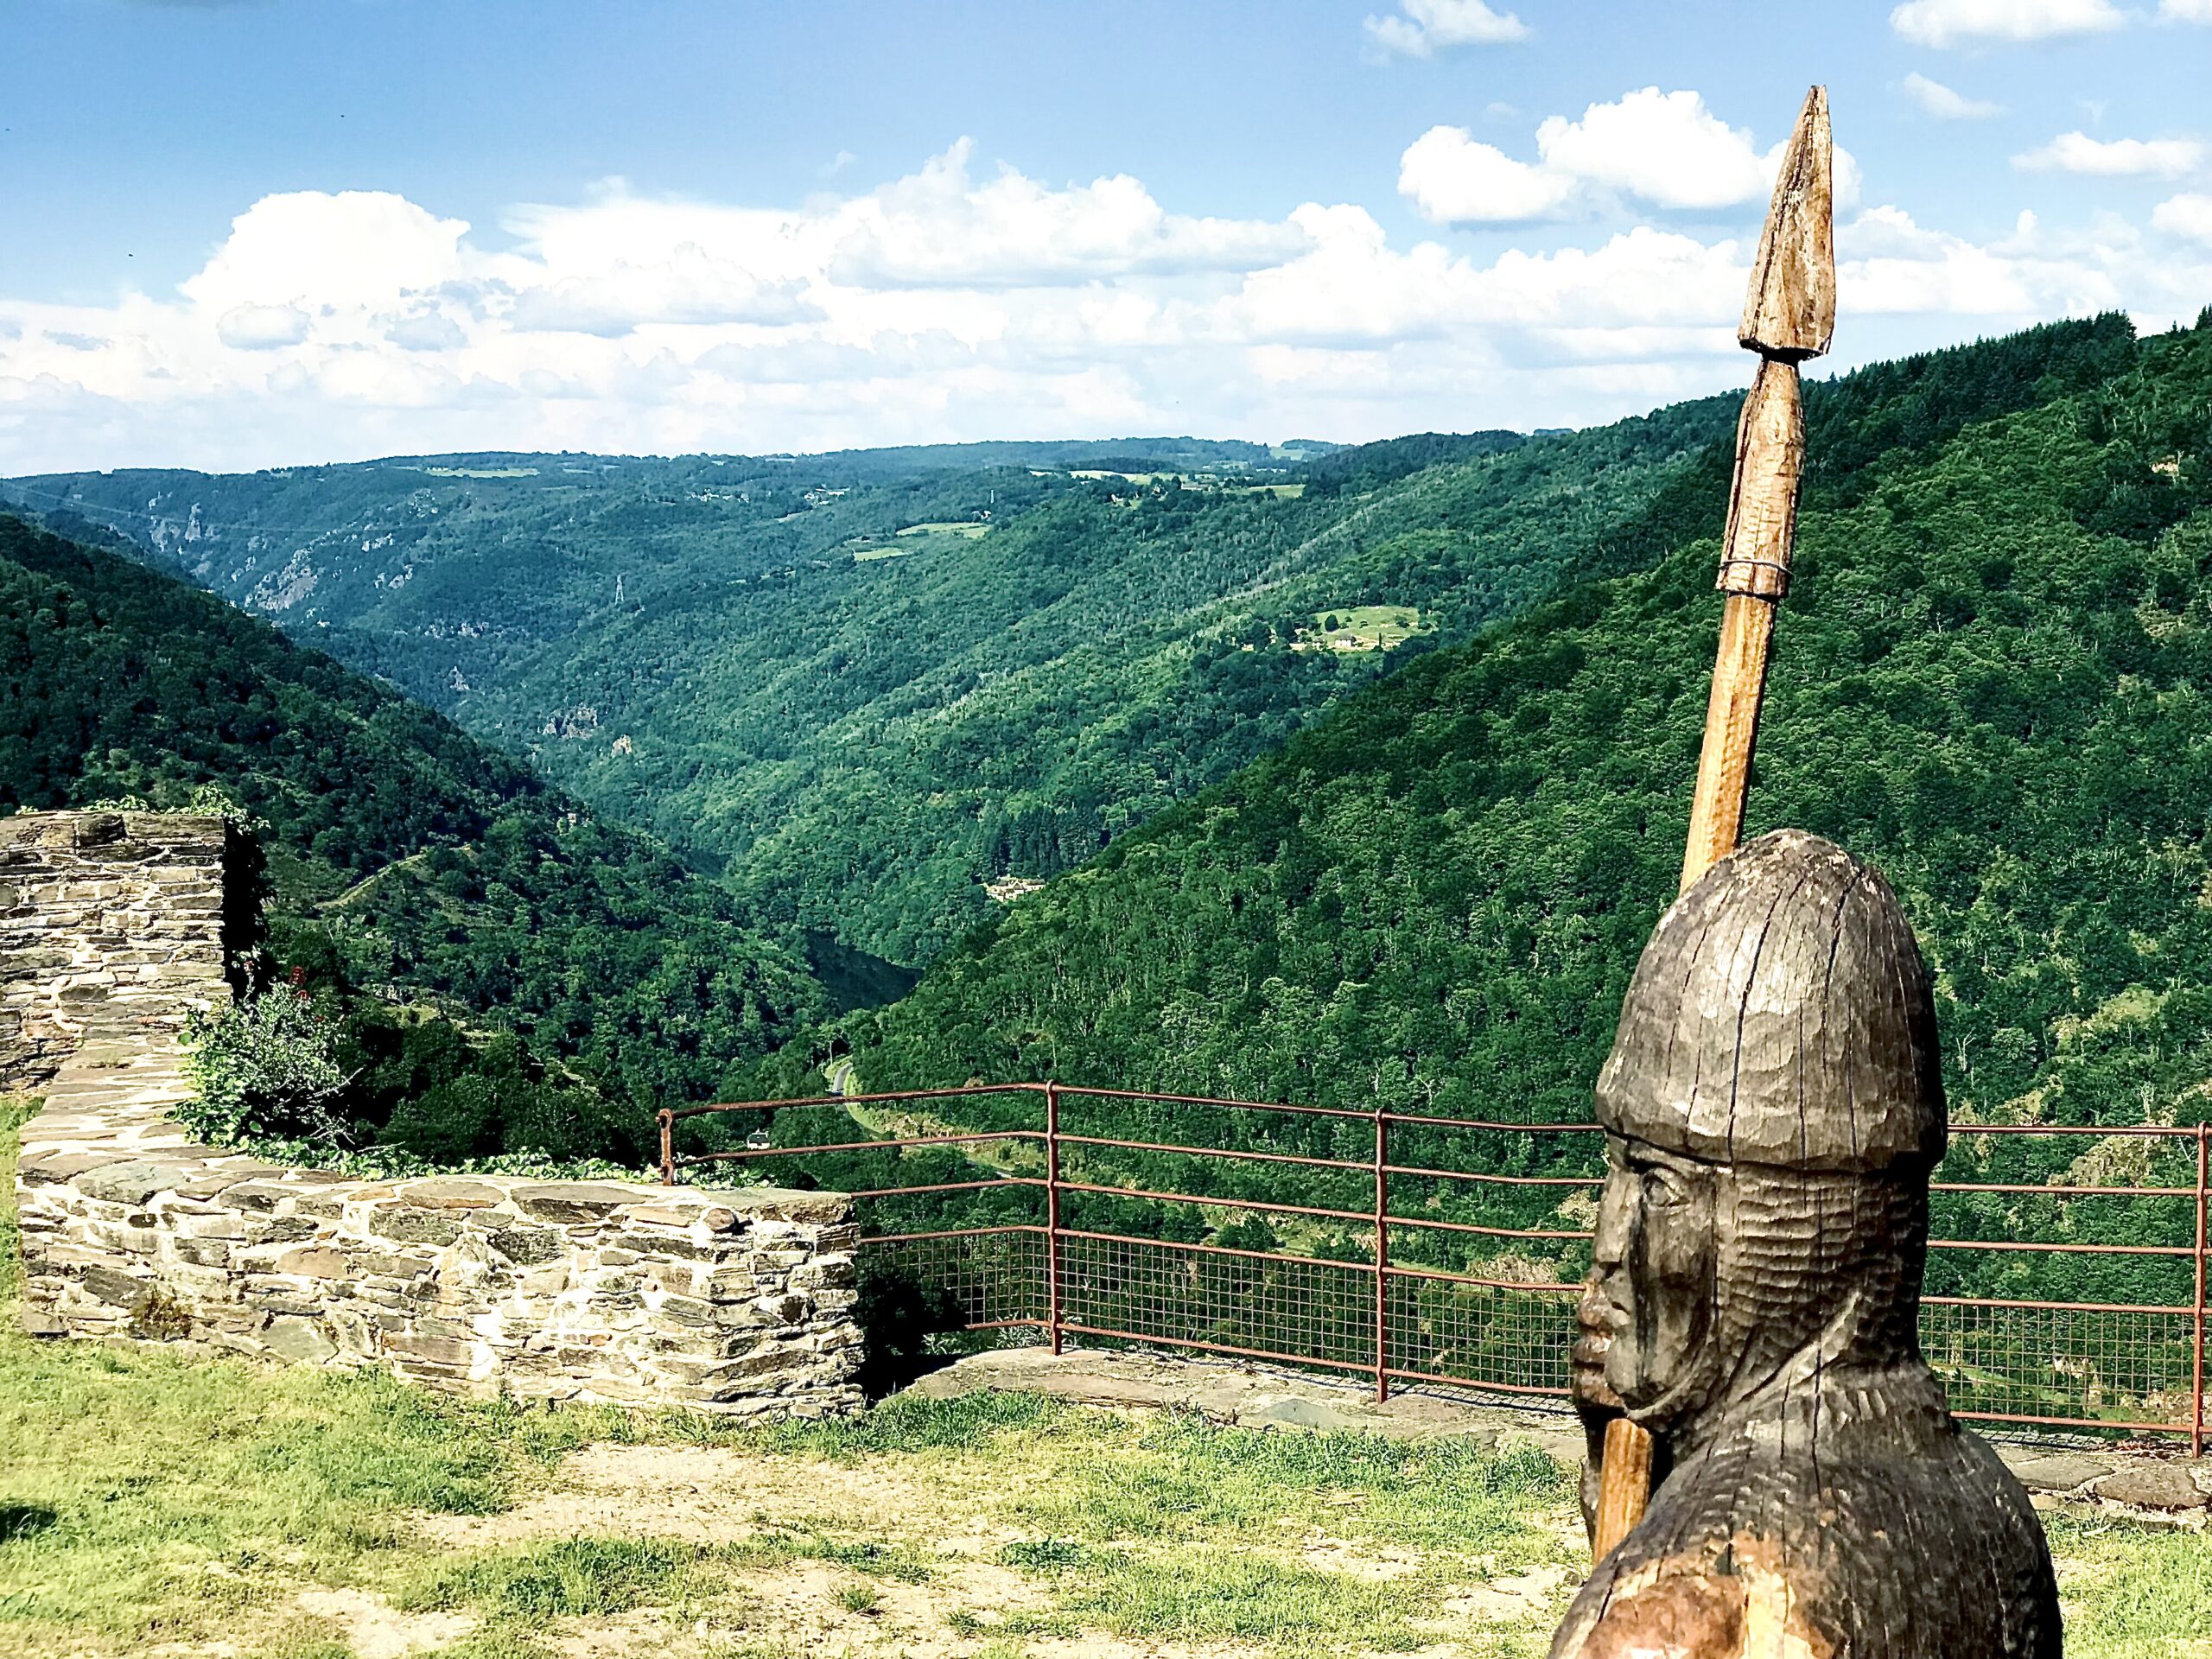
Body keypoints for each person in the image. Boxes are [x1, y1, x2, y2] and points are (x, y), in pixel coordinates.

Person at [1552, 830, 2060, 1659]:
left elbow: (1674, 1605)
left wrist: (1637, 1593)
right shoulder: (1998, 1514)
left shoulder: (1687, 1616)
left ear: (1792, 1233)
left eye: (1655, 1182)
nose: (1610, 1240)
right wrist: (1622, 1466)